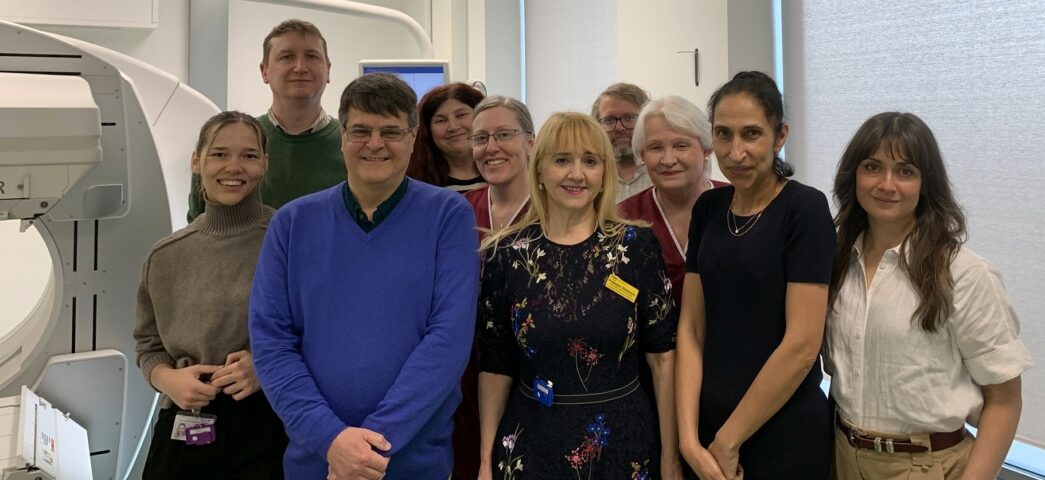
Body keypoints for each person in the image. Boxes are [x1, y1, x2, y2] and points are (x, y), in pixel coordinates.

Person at [248, 72, 480, 479]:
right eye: (361, 131)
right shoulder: (292, 223)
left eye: (391, 131)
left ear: (412, 138)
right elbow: (272, 342)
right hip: (318, 462)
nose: (375, 144)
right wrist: (331, 441)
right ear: (342, 137)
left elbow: (449, 339)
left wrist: (370, 446)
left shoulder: (448, 216)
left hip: (412, 463)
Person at [824, 112, 1032, 480]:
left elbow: (1004, 400)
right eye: (873, 167)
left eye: (906, 171)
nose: (887, 184)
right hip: (841, 456)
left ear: (926, 184)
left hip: (928, 465)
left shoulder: (963, 273)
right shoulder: (835, 260)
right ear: (853, 175)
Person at [477, 112, 682, 479]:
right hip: (531, 443)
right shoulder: (506, 254)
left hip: (622, 443)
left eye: (590, 161)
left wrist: (670, 457)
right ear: (538, 170)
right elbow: (496, 366)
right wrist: (484, 462)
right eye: (562, 161)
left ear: (605, 173)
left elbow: (663, 359)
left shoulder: (636, 247)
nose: (577, 174)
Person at [675, 71, 835, 480]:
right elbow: (692, 329)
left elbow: (801, 346)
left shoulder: (804, 209)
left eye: (752, 134)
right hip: (707, 431)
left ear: (780, 135)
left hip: (781, 432)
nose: (736, 151)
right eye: (723, 135)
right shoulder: (709, 209)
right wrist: (688, 439)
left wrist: (730, 441)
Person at [134, 111, 287, 479]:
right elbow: (148, 346)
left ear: (264, 164)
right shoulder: (166, 255)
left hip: (267, 419)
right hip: (184, 419)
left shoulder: (289, 239)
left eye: (249, 155)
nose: (233, 167)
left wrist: (265, 366)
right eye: (219, 153)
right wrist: (168, 380)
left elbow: (319, 330)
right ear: (197, 161)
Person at [187, 19, 344, 221]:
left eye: (312, 56)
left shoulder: (354, 146)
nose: (300, 67)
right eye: (287, 57)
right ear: (265, 71)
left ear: (328, 70)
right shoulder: (228, 143)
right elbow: (199, 228)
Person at [453, 95, 533, 480]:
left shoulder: (553, 211)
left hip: (532, 371)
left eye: (504, 134)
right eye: (480, 138)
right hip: (466, 370)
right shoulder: (457, 211)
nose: (491, 147)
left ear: (530, 143)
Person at [619, 95, 728, 306]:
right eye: (655, 148)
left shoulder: (737, 205)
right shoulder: (623, 217)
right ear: (641, 154)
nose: (668, 160)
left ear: (706, 149)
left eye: (681, 146)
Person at [408, 82, 486, 192]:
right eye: (441, 120)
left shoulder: (505, 175)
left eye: (461, 115)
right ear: (427, 131)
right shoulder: (413, 185)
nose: (453, 127)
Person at [592, 82, 653, 202]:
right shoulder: (591, 176)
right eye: (609, 120)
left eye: (629, 118)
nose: (620, 128)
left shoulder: (663, 171)